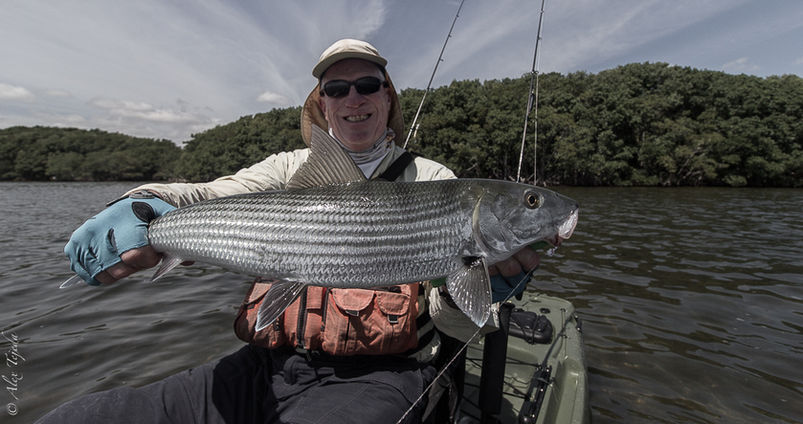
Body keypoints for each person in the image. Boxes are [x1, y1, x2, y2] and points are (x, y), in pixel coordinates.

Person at [40, 39, 540, 424]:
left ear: (387, 97)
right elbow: (208, 194)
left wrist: (474, 289)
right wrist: (144, 203)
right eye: (337, 89)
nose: (353, 98)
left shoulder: (435, 180)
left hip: (383, 374)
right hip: (266, 363)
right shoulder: (287, 167)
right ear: (323, 103)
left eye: (367, 85)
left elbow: (451, 324)